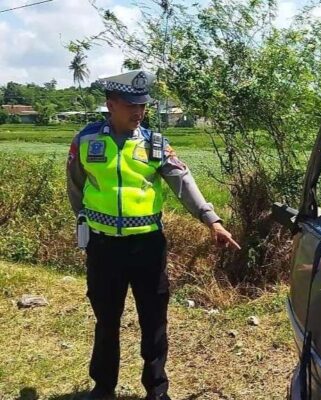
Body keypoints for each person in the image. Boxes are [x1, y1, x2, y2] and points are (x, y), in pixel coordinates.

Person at [66, 69, 240, 400]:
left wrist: (212, 220)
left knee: (154, 320)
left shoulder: (155, 144)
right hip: (103, 248)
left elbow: (183, 183)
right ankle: (103, 387)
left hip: (147, 246)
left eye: (143, 105)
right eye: (131, 105)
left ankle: (157, 390)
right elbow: (75, 186)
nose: (139, 112)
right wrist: (86, 225)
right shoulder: (86, 140)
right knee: (106, 320)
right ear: (111, 104)